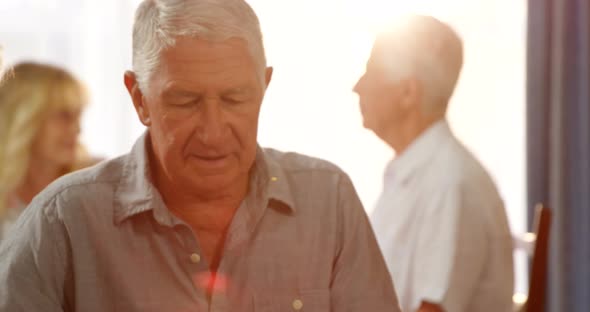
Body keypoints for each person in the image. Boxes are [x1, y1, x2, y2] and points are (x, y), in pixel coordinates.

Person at [0, 1, 400, 311]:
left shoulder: (328, 202)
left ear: (265, 86)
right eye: (186, 101)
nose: (213, 131)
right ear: (139, 98)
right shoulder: (64, 223)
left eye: (235, 99)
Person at [353, 15, 514, 312]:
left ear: (408, 93)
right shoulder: (414, 175)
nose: (357, 86)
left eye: (370, 72)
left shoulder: (449, 183)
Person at [0, 62, 97, 240]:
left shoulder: (97, 183)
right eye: (64, 116)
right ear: (24, 119)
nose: (77, 129)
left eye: (78, 115)